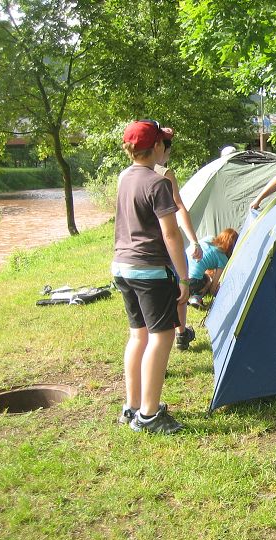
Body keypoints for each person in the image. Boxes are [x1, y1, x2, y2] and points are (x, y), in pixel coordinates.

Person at [112, 120, 189, 434]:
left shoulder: (123, 178)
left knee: (138, 336)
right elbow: (171, 234)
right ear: (156, 146)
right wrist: (183, 277)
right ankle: (149, 415)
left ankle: (132, 407)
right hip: (149, 271)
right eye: (163, 142)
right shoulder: (157, 183)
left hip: (122, 266)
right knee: (162, 337)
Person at [154, 130, 201, 350]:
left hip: (141, 248)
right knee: (181, 284)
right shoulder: (164, 173)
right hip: (167, 240)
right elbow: (179, 207)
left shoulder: (128, 174)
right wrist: (194, 240)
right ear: (161, 149)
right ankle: (181, 333)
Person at [186, 228, 239, 309]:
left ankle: (188, 295)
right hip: (192, 281)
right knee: (208, 279)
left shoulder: (209, 238)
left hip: (180, 273)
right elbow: (213, 288)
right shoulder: (223, 259)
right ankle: (196, 297)